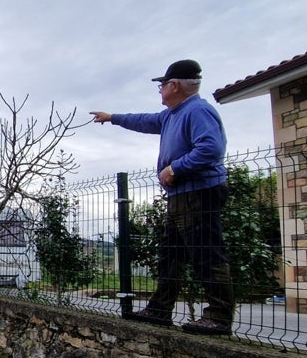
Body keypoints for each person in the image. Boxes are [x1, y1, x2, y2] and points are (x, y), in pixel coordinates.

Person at [89, 59, 235, 335]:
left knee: (206, 253)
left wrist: (175, 168)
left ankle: (219, 316)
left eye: (162, 85)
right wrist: (113, 117)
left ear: (175, 85)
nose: (159, 90)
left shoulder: (198, 111)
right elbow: (144, 120)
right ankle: (159, 310)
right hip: (181, 195)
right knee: (171, 254)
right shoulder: (172, 115)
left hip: (200, 191)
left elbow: (211, 149)